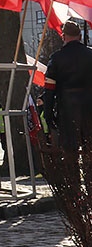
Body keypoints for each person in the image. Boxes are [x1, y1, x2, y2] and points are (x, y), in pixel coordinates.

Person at [43, 20, 92, 152]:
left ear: (63, 36)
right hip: (89, 107)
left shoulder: (56, 58)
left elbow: (49, 89)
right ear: (80, 36)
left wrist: (48, 113)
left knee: (70, 149)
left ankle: (73, 172)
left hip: (67, 109)